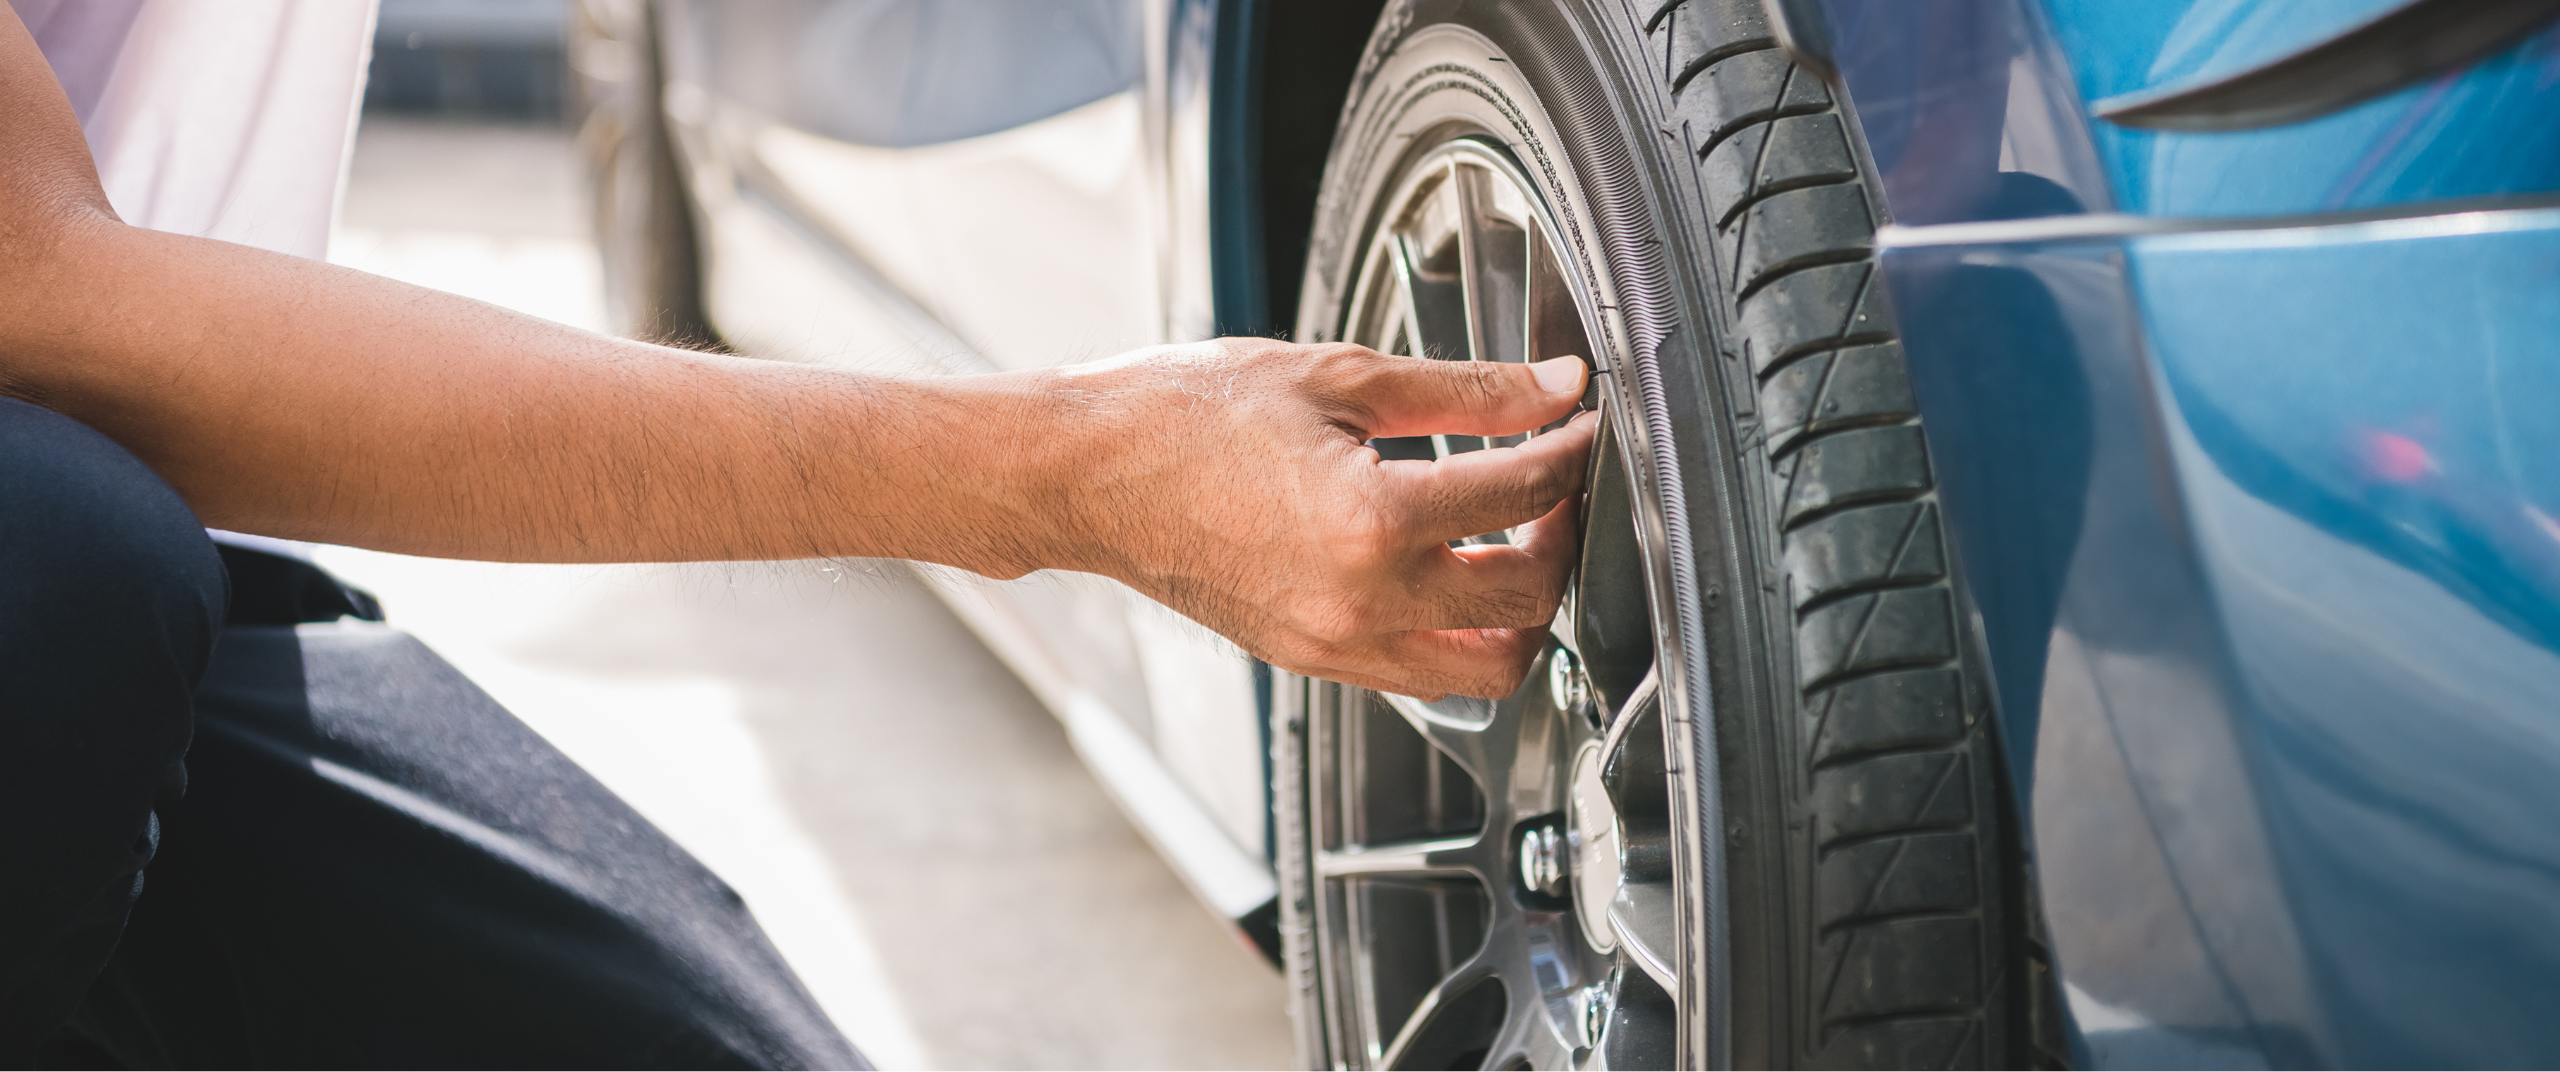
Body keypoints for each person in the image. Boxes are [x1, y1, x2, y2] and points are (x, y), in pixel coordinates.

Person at [0, 3, 1595, 1069]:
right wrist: (1060, 472)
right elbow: (38, 299)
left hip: (160, 548)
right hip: (58, 538)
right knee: (73, 580)